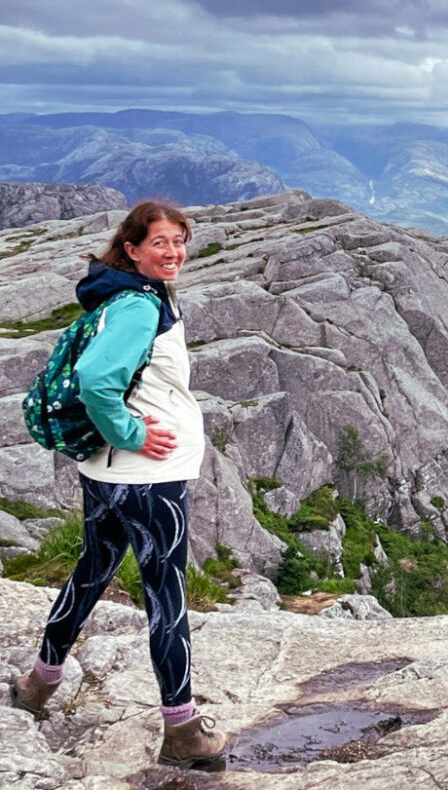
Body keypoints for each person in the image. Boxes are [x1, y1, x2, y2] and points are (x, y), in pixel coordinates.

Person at [11, 200, 226, 769]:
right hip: (148, 478)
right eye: (160, 242)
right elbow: (96, 380)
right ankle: (183, 732)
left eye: (180, 241)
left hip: (106, 473)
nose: (174, 252)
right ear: (132, 249)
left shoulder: (126, 296)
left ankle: (39, 683)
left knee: (91, 571)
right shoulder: (136, 306)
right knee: (166, 595)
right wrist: (131, 433)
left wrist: (123, 437)